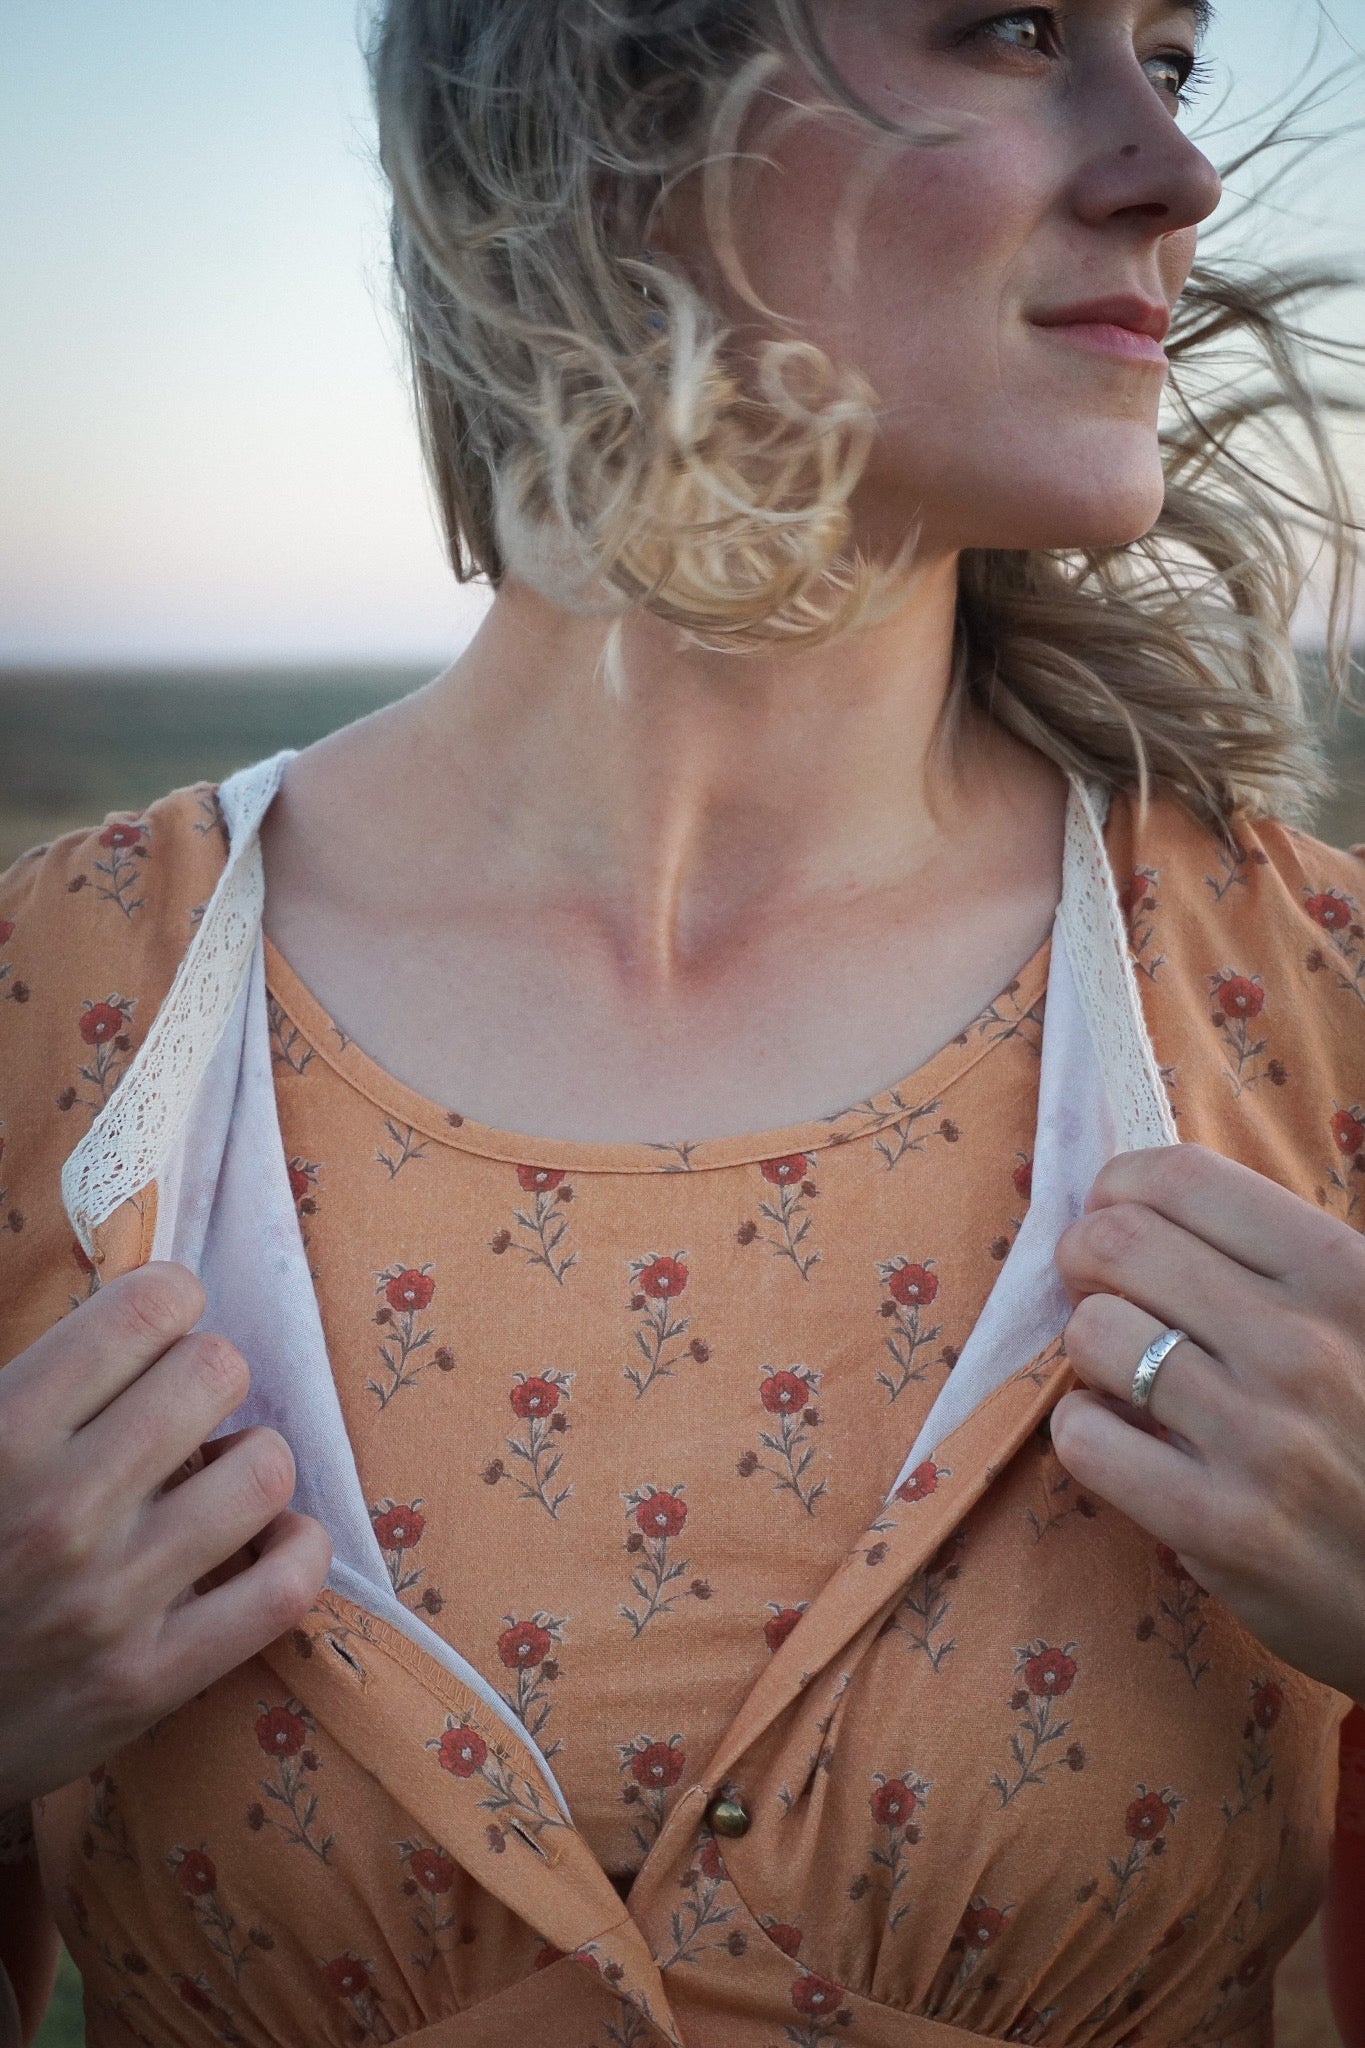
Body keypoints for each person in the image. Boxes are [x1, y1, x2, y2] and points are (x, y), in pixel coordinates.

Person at [2, 2, 1363, 2043]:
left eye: (1163, 59)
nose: (1172, 170)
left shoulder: (1311, 1007)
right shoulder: (61, 1011)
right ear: (611, 119)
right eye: (1010, 28)